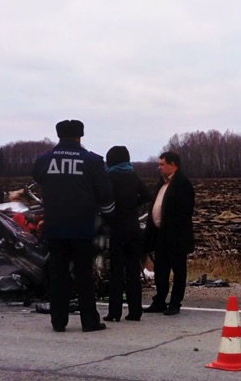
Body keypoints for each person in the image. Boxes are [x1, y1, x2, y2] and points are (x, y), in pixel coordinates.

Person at [32, 119, 114, 332]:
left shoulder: (44, 160)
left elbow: (38, 178)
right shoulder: (93, 161)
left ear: (59, 135)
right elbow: (105, 194)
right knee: (84, 275)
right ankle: (89, 321)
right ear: (80, 136)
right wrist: (109, 216)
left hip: (55, 227)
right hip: (82, 228)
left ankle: (58, 321)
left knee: (58, 275)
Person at [102, 146, 151, 322]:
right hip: (133, 228)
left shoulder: (109, 177)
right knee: (133, 270)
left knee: (116, 271)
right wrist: (133, 203)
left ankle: (114, 312)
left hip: (117, 228)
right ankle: (135, 311)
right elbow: (148, 195)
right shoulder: (132, 175)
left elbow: (103, 199)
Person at [144, 150, 195, 315]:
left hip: (176, 237)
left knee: (178, 271)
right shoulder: (162, 183)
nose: (159, 167)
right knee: (160, 270)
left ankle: (175, 303)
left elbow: (185, 212)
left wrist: (172, 228)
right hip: (161, 235)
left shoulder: (182, 184)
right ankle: (159, 301)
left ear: (173, 165)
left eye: (162, 164)